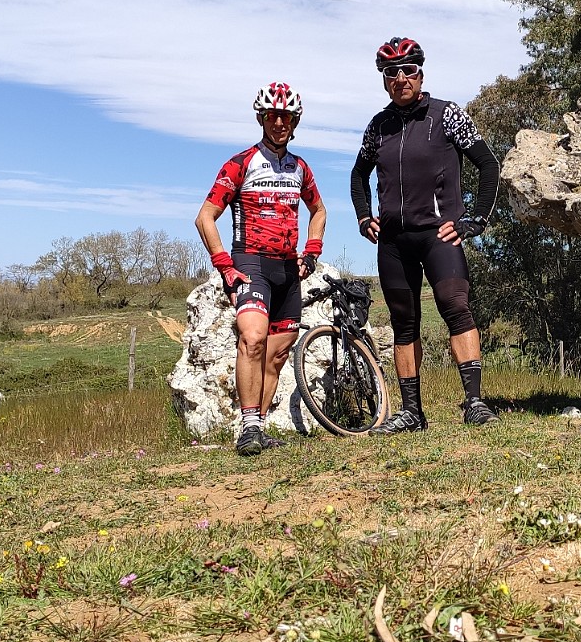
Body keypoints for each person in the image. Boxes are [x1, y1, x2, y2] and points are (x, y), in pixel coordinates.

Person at [350, 37, 501, 434]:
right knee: (404, 322)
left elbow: (488, 165)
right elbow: (357, 175)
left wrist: (475, 220)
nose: (401, 78)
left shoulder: (446, 114)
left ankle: (474, 403)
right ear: (384, 81)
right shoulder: (378, 126)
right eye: (391, 73)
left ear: (421, 73)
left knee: (456, 307)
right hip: (394, 242)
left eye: (409, 70)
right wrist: (365, 217)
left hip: (439, 236)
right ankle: (412, 413)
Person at [197, 82, 327, 456]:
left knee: (278, 352)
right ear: (262, 118)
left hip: (288, 269)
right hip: (250, 261)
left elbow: (318, 210)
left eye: (287, 117)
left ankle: (260, 426)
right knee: (252, 338)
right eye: (273, 116)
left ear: (295, 121)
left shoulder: (300, 168)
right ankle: (248, 425)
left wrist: (312, 250)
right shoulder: (239, 164)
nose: (280, 123)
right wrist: (223, 263)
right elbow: (205, 217)